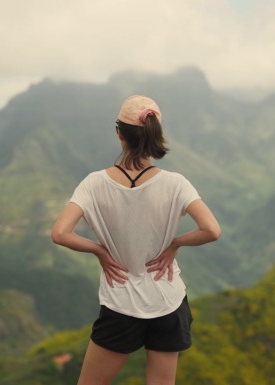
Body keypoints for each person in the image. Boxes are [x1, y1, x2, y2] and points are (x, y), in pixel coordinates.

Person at [51, 95, 221, 385]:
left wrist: (98, 251)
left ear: (120, 133)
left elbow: (60, 233)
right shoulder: (175, 183)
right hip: (168, 301)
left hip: (120, 303)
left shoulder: (94, 184)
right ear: (155, 133)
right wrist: (175, 244)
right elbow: (211, 230)